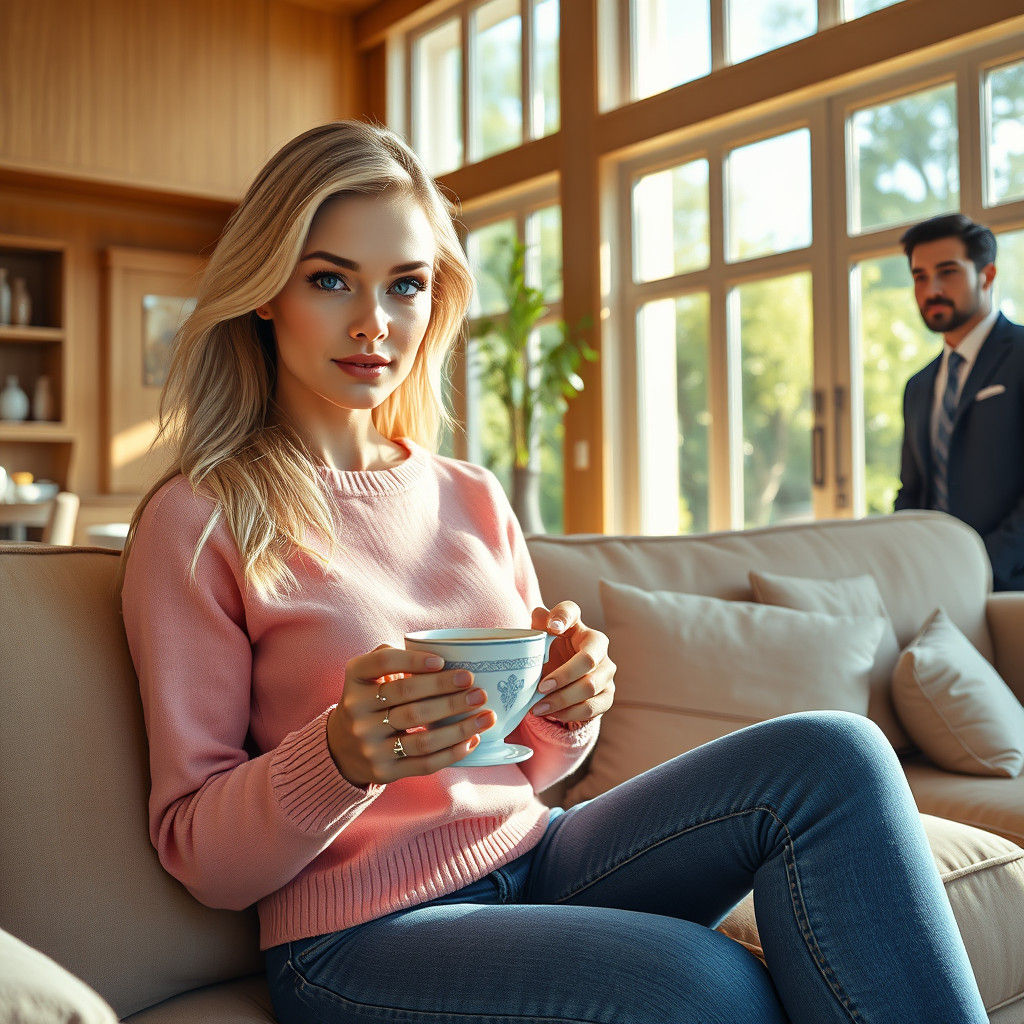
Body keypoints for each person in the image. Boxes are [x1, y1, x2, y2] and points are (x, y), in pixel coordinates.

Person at [119, 120, 988, 1024]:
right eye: (330, 279)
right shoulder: (201, 518)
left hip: (535, 854)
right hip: (358, 936)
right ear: (267, 291)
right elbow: (199, 853)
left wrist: (567, 705)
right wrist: (339, 755)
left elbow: (530, 767)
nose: (375, 321)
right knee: (712, 989)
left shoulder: (470, 494)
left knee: (835, 754)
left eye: (406, 284)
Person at [894, 213, 1024, 590]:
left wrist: (983, 569)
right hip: (933, 585)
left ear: (987, 275)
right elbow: (912, 493)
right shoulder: (918, 386)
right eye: (919, 277)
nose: (931, 289)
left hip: (1010, 586)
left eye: (947, 272)